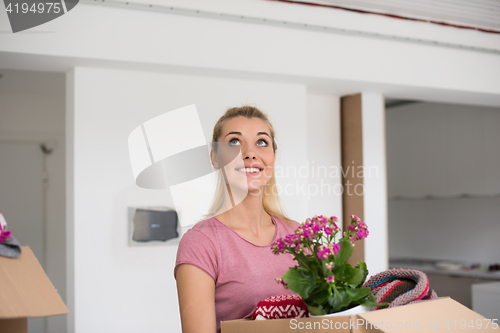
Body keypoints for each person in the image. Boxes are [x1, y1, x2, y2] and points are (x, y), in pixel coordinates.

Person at [174, 106, 301, 333]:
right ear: (214, 158)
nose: (250, 153)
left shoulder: (300, 235)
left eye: (261, 142)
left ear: (273, 157)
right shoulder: (202, 243)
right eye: (234, 142)